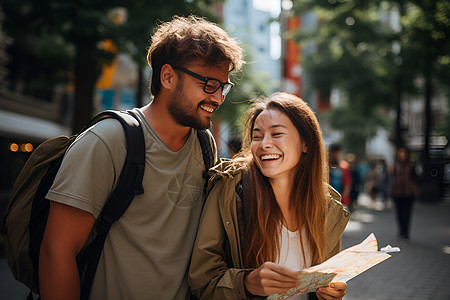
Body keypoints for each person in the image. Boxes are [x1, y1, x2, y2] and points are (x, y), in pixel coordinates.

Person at [39, 15, 244, 300]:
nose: (219, 97)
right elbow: (56, 251)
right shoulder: (109, 140)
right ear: (168, 77)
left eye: (224, 86)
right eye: (209, 83)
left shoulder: (203, 144)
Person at [189, 92, 350, 300]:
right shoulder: (229, 191)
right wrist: (246, 283)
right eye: (257, 136)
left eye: (276, 134)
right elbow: (202, 280)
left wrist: (331, 294)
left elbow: (328, 281)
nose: (264, 144)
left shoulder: (327, 206)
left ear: (306, 143)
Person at [392, 146, 418, 241]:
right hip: (397, 192)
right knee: (399, 213)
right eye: (400, 153)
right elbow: (393, 178)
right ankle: (401, 230)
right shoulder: (395, 165)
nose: (402, 155)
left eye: (404, 153)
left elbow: (416, 178)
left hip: (409, 192)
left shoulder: (411, 165)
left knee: (407, 213)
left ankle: (406, 231)